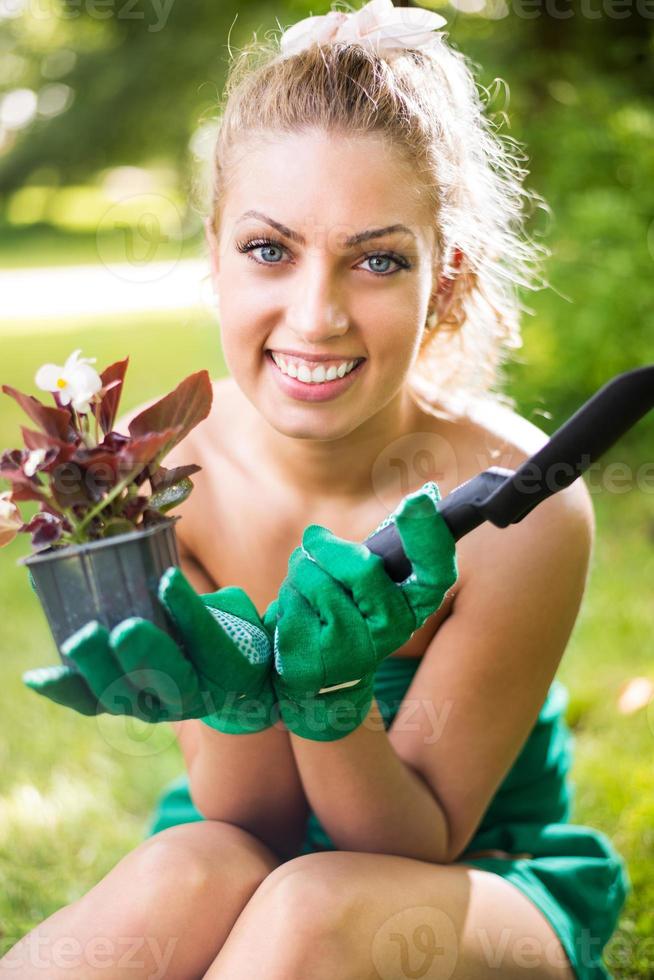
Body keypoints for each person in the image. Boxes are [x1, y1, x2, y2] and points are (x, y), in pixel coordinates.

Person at [0, 1, 630, 977]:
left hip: (471, 874)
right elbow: (247, 821)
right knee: (188, 868)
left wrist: (332, 699)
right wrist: (248, 704)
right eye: (269, 249)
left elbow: (422, 837)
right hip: (242, 832)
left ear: (448, 278)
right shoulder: (158, 488)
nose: (317, 314)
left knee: (313, 901)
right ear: (215, 250)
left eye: (377, 259)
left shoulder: (520, 505)